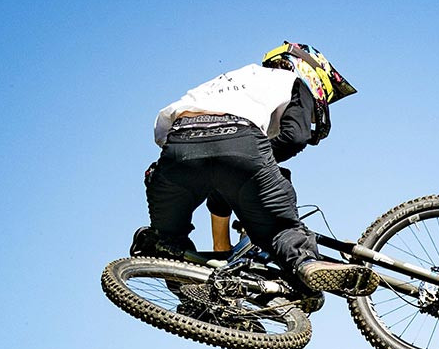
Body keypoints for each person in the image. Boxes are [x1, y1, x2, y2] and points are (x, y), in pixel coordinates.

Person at [131, 42, 372, 295]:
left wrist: (228, 190)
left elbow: (203, 158)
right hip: (241, 140)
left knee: (170, 244)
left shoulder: (225, 83)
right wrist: (257, 171)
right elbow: (294, 137)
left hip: (179, 147)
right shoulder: (292, 81)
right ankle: (306, 263)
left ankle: (187, 283)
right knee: (283, 229)